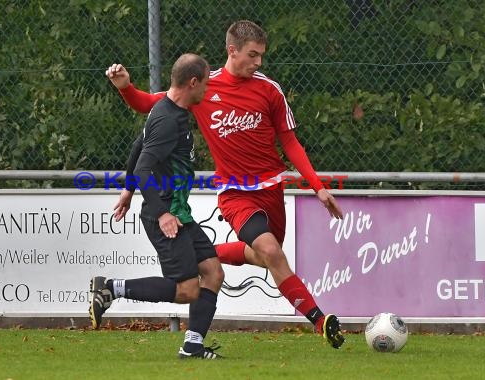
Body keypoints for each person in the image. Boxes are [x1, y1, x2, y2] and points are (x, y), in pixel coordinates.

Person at [106, 20, 345, 349]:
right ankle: (321, 321)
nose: (259, 62)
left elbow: (290, 143)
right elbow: (149, 104)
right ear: (232, 51)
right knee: (271, 251)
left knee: (267, 259)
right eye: (253, 55)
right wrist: (125, 87)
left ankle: (209, 262)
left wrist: (317, 186)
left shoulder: (269, 90)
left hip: (270, 189)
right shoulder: (203, 87)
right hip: (235, 193)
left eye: (261, 55)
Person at [89, 53, 225, 360]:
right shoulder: (167, 119)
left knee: (213, 273)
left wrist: (127, 190)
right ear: (192, 83)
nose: (207, 89)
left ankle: (192, 346)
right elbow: (144, 168)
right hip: (164, 212)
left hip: (178, 212)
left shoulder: (168, 108)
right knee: (187, 289)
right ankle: (111, 288)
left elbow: (139, 147)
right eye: (205, 83)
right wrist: (161, 212)